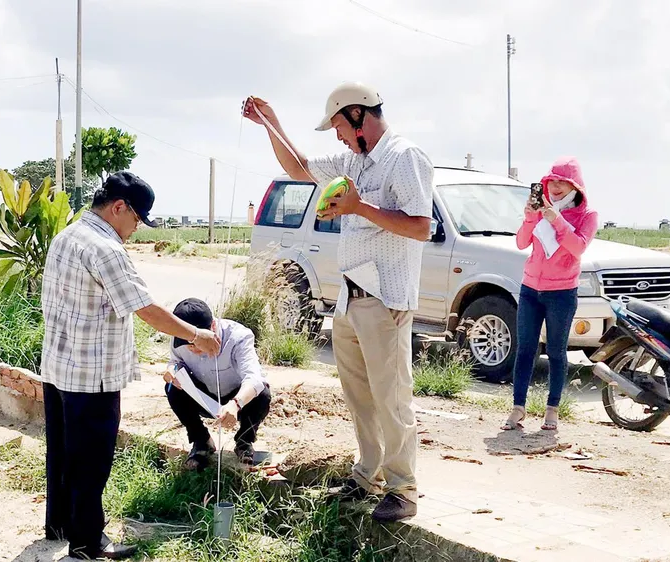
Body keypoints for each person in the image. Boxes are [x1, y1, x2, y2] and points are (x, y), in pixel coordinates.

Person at [243, 82, 433, 522]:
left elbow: (421, 227)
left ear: (357, 115)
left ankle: (403, 489)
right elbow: (299, 167)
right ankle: (368, 475)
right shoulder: (353, 161)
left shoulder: (404, 157)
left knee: (392, 397)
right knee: (360, 397)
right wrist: (270, 123)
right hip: (351, 296)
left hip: (385, 298)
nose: (338, 137)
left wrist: (359, 207)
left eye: (339, 127)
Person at [40, 171, 222, 560]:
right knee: (91, 462)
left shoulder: (66, 236)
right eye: (137, 219)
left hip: (57, 369)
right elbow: (147, 309)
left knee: (62, 453)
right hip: (92, 376)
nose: (136, 229)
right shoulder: (106, 248)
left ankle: (59, 524)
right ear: (119, 208)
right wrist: (196, 335)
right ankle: (86, 543)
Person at [502, 157, 598, 432]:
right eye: (551, 181)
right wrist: (530, 217)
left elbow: (578, 247)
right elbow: (522, 242)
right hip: (530, 289)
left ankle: (552, 410)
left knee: (556, 351)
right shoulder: (540, 208)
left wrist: (557, 221)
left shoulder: (587, 215)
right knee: (525, 349)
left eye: (562, 182)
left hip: (562, 292)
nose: (555, 187)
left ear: (575, 186)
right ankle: (518, 408)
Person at [160, 297, 271, 469]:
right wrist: (171, 370)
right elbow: (176, 361)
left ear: (212, 327)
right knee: (172, 389)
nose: (190, 348)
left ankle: (244, 441)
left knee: (262, 394)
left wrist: (236, 404)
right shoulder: (179, 338)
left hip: (237, 397)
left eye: (194, 342)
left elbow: (255, 378)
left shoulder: (238, 337)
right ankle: (202, 441)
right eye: (185, 342)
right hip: (203, 396)